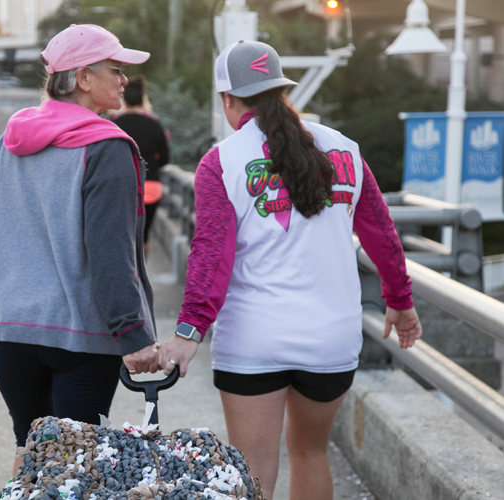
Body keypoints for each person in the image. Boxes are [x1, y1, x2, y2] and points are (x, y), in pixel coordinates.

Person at [157, 41, 422, 500]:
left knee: (253, 470)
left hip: (254, 339)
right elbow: (382, 232)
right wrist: (400, 302)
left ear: (228, 99)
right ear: (282, 89)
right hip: (331, 337)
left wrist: (188, 331)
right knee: (311, 454)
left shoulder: (222, 160)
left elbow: (211, 253)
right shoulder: (344, 149)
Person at [0, 24, 160, 476]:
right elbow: (111, 253)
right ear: (83, 78)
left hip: (10, 337)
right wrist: (133, 334)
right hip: (80, 339)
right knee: (75, 466)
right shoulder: (107, 148)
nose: (124, 79)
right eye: (116, 68)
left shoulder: (9, 142)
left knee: (30, 453)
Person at [113, 76, 170, 258]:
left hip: (122, 189)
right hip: (150, 187)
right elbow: (166, 159)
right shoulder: (155, 124)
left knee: (124, 237)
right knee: (143, 237)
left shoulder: (113, 125)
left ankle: (128, 279)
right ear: (143, 98)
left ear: (124, 99)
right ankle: (141, 280)